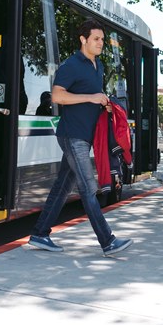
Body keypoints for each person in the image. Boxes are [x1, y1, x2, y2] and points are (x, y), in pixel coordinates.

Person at [28, 18, 133, 257]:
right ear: (83, 39)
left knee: (63, 187)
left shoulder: (99, 66)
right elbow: (56, 96)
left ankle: (40, 233)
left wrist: (103, 104)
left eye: (103, 40)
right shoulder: (72, 64)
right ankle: (107, 241)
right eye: (96, 39)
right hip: (71, 135)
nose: (100, 43)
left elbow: (93, 96)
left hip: (85, 136)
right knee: (88, 187)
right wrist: (90, 98)